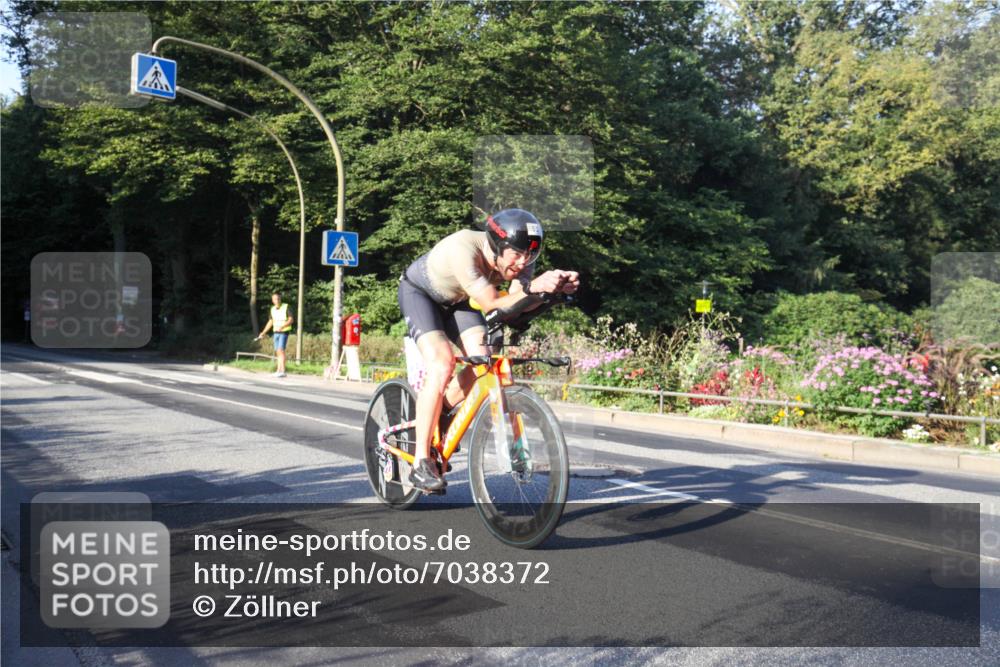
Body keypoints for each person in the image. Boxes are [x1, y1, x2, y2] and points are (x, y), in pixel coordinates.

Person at [398, 209, 579, 492]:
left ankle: (442, 409)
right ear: (496, 245)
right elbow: (494, 303)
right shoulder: (464, 248)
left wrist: (552, 292)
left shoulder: (523, 259)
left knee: (486, 360)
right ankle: (421, 462)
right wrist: (536, 288)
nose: (523, 262)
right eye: (516, 255)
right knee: (443, 362)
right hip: (421, 295)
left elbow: (517, 303)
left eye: (529, 256)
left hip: (460, 301)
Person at [256, 292, 294, 377]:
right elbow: (270, 321)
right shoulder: (272, 309)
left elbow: (291, 320)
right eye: (275, 299)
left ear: (280, 299)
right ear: (272, 300)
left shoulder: (286, 306)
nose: (277, 300)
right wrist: (263, 332)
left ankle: (283, 371)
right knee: (277, 351)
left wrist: (283, 326)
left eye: (278, 299)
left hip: (284, 331)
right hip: (276, 332)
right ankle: (278, 370)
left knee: (281, 350)